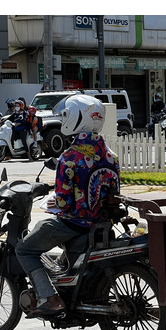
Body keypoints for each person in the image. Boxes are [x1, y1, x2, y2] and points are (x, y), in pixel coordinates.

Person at [15, 94, 120, 318]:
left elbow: (63, 202)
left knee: (24, 248)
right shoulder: (111, 156)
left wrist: (54, 202)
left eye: (66, 115)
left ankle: (50, 298)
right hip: (101, 222)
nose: (63, 120)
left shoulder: (70, 157)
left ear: (76, 118)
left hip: (74, 224)